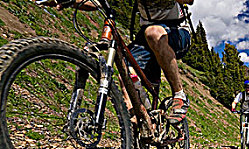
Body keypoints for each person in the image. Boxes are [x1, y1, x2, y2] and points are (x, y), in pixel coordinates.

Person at [51, 0, 193, 123]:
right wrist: (67, 1)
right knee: (126, 74)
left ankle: (179, 95)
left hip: (177, 31)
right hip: (145, 37)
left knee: (153, 33)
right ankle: (137, 131)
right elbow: (98, 2)